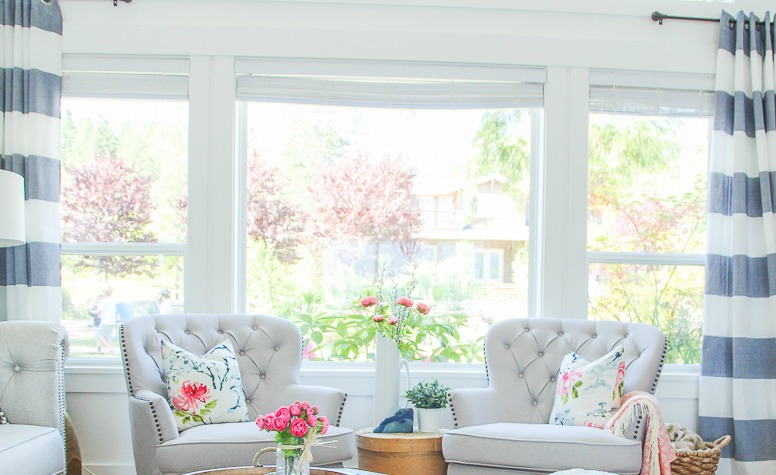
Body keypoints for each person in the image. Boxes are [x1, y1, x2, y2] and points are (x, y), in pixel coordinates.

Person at [95, 286, 118, 354]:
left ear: (104, 292)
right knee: (109, 336)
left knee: (98, 334)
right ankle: (111, 350)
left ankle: (109, 347)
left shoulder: (104, 301)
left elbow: (98, 311)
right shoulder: (113, 301)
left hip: (105, 321)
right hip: (112, 321)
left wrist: (91, 311)